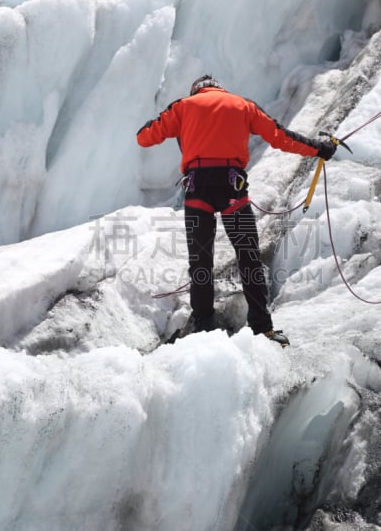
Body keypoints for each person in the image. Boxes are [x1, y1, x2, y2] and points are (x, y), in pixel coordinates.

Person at [136, 75, 336, 345]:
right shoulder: (243, 106)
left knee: (201, 262)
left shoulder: (183, 106)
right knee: (248, 256)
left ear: (196, 90)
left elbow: (145, 138)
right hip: (232, 187)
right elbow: (280, 136)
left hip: (198, 189)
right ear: (219, 88)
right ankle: (262, 328)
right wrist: (319, 149)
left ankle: (203, 326)